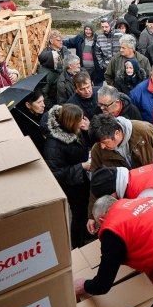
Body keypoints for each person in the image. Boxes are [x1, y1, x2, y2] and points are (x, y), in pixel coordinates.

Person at [86, 114, 153, 234]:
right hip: (129, 199)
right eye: (99, 143)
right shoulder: (98, 150)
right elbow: (96, 183)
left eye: (104, 142)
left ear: (117, 133)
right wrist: (92, 214)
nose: (102, 146)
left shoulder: (144, 130)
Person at [43, 104, 92, 249]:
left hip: (83, 179)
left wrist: (87, 130)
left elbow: (85, 144)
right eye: (80, 120)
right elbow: (56, 173)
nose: (82, 123)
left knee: (85, 210)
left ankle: (86, 233)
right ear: (70, 122)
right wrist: (81, 167)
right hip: (72, 185)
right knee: (78, 214)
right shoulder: (53, 144)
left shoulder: (76, 130)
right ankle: (78, 245)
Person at [11, 85, 47, 155]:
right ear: (28, 105)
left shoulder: (45, 112)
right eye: (39, 102)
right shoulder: (21, 122)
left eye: (43, 101)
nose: (43, 105)